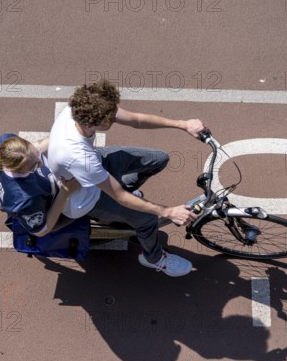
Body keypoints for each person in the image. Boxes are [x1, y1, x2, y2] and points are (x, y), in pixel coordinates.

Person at [48, 79, 205, 277]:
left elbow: (136, 120)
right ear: (93, 123)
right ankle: (153, 257)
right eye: (111, 119)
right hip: (87, 198)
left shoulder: (80, 109)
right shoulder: (78, 155)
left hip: (95, 164)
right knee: (148, 219)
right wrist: (168, 211)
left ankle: (130, 209)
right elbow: (120, 196)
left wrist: (183, 125)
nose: (115, 118)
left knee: (158, 159)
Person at [0, 134, 80, 237]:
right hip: (45, 209)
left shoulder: (6, 143)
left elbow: (38, 147)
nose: (40, 162)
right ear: (18, 170)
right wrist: (65, 192)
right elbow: (41, 230)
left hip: (36, 200)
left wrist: (64, 137)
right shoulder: (26, 200)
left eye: (36, 154)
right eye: (34, 166)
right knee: (91, 202)